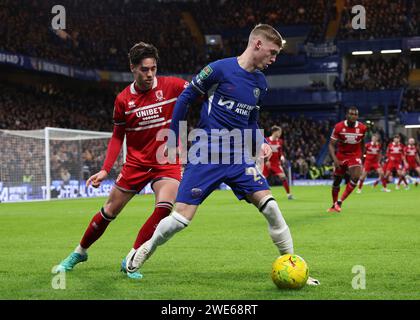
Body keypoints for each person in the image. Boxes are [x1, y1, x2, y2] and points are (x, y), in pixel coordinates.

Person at [123, 24, 320, 285]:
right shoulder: (218, 69)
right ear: (257, 44)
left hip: (238, 156)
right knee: (180, 219)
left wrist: (259, 140)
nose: (274, 59)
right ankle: (146, 249)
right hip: (207, 152)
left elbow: (252, 119)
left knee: (271, 207)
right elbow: (184, 99)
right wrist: (174, 139)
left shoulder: (260, 83)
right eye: (272, 52)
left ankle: (294, 267)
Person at [56, 42, 189, 279]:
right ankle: (80, 252)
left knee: (164, 208)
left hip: (165, 161)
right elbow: (118, 137)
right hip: (136, 163)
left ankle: (132, 258)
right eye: (144, 70)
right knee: (109, 211)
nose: (149, 74)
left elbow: (200, 89)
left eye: (153, 69)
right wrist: (105, 170)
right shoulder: (123, 100)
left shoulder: (173, 86)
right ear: (132, 68)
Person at [327, 107, 367, 213]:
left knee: (356, 177)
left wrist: (362, 156)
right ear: (347, 115)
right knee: (337, 181)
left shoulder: (362, 128)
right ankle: (334, 204)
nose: (353, 116)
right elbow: (331, 145)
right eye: (351, 114)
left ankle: (340, 202)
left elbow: (362, 142)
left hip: (355, 156)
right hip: (341, 156)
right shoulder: (339, 127)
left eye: (355, 114)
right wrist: (335, 159)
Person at [263, 126, 294, 199]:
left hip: (276, 164)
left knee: (283, 177)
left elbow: (280, 152)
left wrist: (282, 157)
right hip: (267, 163)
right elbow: (263, 151)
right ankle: (264, 195)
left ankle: (289, 194)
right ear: (274, 132)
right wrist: (266, 160)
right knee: (263, 179)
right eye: (279, 132)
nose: (280, 133)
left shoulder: (280, 141)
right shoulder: (266, 140)